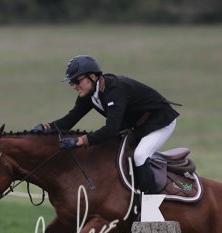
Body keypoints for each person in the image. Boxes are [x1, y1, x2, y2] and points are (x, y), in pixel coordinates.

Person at [34, 55, 179, 200]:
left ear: (92, 76)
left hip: (160, 121)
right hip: (138, 126)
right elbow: (70, 120)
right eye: (72, 83)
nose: (75, 86)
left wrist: (80, 141)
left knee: (140, 155)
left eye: (77, 81)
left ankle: (151, 207)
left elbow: (111, 129)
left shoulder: (114, 89)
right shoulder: (89, 93)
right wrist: (46, 128)